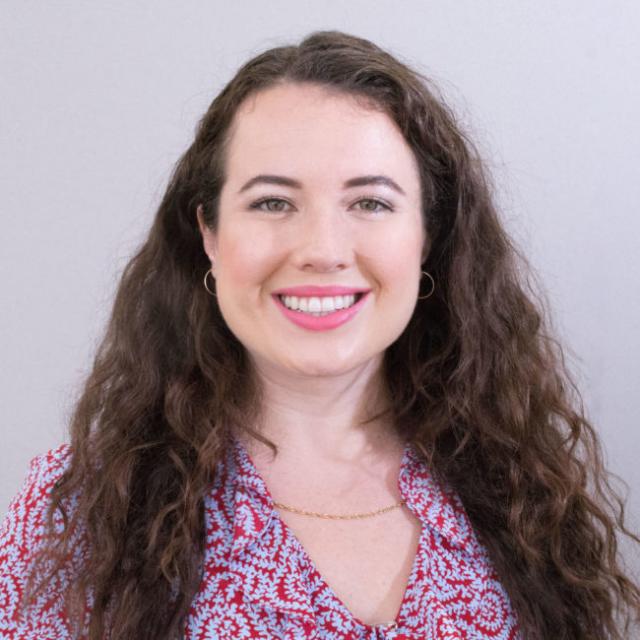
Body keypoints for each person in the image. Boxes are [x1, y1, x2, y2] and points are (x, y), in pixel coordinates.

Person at [1, 30, 639, 640]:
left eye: (370, 203)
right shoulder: (81, 515)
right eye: (273, 203)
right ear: (210, 235)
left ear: (428, 238)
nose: (323, 250)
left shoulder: (519, 493)